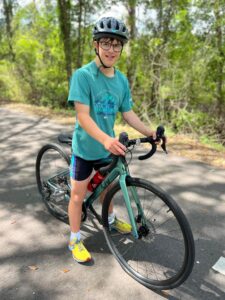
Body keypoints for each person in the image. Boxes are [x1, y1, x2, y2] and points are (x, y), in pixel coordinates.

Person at [67, 16, 157, 263]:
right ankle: (74, 239)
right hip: (85, 148)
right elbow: (83, 116)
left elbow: (127, 113)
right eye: (106, 43)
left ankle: (110, 219)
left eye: (117, 44)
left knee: (108, 189)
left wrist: (150, 132)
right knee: (78, 196)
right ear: (95, 45)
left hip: (106, 148)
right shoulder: (83, 76)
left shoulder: (121, 80)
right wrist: (106, 139)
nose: (111, 49)